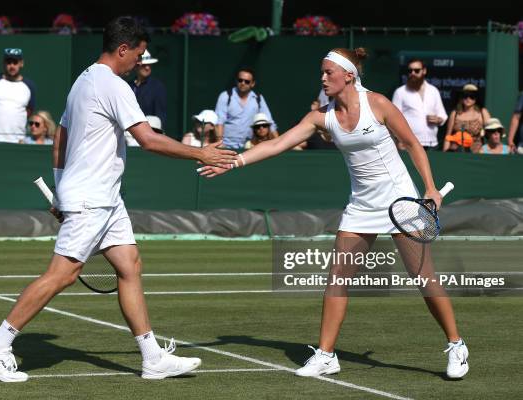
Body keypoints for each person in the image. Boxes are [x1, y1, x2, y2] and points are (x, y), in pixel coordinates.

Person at [0, 16, 236, 383]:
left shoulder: (83, 80)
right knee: (62, 275)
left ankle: (152, 357)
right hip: (91, 198)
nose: (139, 64)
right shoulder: (112, 85)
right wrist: (201, 154)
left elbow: (60, 136)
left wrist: (61, 187)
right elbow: (147, 139)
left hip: (105, 198)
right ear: (123, 49)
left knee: (129, 264)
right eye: (139, 55)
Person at [200, 47, 469, 379]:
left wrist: (429, 188)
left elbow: (413, 143)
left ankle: (456, 345)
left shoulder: (379, 104)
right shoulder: (321, 116)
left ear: (349, 75)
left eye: (329, 72)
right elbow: (277, 144)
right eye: (322, 72)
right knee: (337, 280)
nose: (323, 77)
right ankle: (326, 355)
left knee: (423, 278)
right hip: (361, 206)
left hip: (400, 200)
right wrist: (234, 161)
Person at [0, 48, 36, 143]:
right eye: (9, 62)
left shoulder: (29, 86)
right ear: (3, 63)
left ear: (21, 63)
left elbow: (29, 109)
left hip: (18, 140)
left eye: (15, 62)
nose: (12, 66)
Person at [215, 68, 277, 149]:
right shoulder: (225, 96)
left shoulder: (258, 98)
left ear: (253, 84)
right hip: (226, 146)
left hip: (249, 146)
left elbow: (269, 121)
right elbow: (219, 122)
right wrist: (219, 143)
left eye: (247, 81)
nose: (243, 83)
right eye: (240, 80)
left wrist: (277, 142)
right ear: (236, 81)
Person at [392, 59, 447, 150]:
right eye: (410, 71)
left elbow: (443, 114)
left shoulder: (433, 91)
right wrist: (399, 140)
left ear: (424, 71)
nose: (413, 73)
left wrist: (439, 119)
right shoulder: (400, 92)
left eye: (417, 70)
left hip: (431, 143)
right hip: (409, 144)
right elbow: (394, 120)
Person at [442, 84, 491, 153]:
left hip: (477, 152)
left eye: (472, 96)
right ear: (461, 98)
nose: (468, 99)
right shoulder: (455, 113)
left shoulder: (482, 112)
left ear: (476, 99)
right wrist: (445, 153)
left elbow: (490, 134)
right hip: (456, 151)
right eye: (465, 96)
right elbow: (448, 136)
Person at [130, 50, 167, 127]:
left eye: (149, 65)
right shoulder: (129, 86)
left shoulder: (157, 87)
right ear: (136, 66)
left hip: (150, 132)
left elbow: (160, 116)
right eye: (144, 65)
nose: (147, 68)